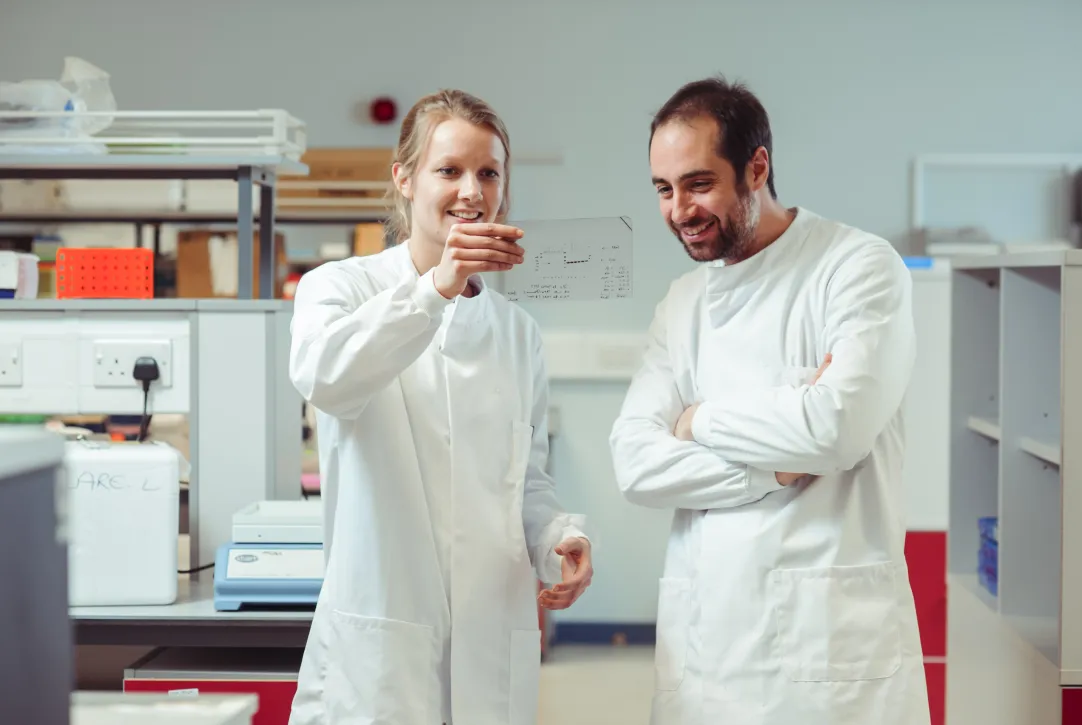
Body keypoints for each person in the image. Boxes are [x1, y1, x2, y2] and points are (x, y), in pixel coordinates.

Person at [609, 76, 931, 724]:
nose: (679, 209)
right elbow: (635, 463)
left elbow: (837, 430)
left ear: (757, 167)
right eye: (663, 190)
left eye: (699, 184)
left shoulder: (857, 268)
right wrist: (775, 460)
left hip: (830, 662)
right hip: (706, 648)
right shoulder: (683, 304)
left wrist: (697, 420)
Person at [287, 89, 593, 725]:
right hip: (381, 648)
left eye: (488, 173)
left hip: (490, 640)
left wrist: (558, 538)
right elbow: (326, 377)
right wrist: (434, 290)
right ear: (404, 178)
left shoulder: (516, 332)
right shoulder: (339, 288)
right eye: (448, 170)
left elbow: (525, 481)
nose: (471, 192)